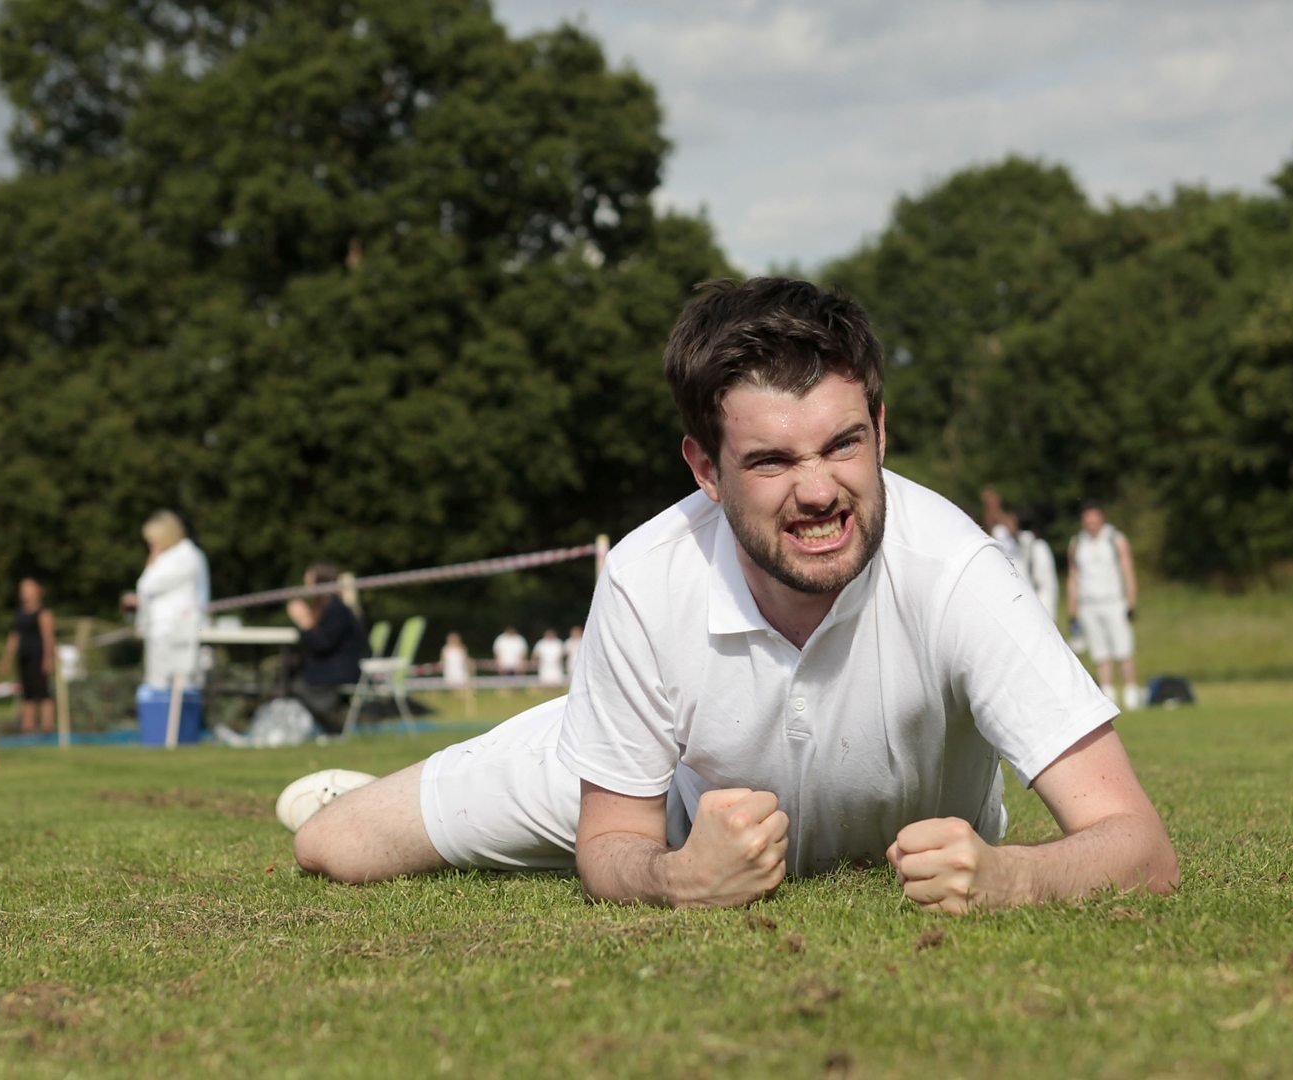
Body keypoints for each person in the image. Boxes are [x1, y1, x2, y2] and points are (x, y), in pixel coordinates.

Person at [282, 278, 1175, 915]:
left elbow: (1139, 844)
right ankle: (357, 788)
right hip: (661, 788)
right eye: (772, 460)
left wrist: (1013, 877)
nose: (820, 491)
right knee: (336, 847)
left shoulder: (960, 571)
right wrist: (677, 877)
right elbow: (611, 843)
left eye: (843, 445)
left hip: (861, 816)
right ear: (706, 469)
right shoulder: (646, 577)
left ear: (881, 430)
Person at [1067, 500, 1141, 710]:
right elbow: (1073, 578)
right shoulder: (1077, 543)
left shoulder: (1115, 539)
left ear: (1102, 518)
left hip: (1114, 601)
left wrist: (1131, 601)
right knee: (1100, 654)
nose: (1091, 524)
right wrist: (1072, 610)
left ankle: (1131, 693)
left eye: (1094, 519)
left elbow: (1127, 570)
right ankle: (1108, 695)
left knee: (1123, 650)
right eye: (1087, 520)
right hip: (1089, 604)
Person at [124, 510, 209, 689]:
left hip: (174, 629)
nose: (150, 544)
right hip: (160, 629)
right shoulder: (166, 557)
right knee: (157, 683)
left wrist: (152, 562)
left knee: (177, 683)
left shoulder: (185, 555)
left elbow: (149, 584)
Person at [285, 561, 369, 731]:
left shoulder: (335, 609)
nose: (307, 588)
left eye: (309, 583)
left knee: (294, 684)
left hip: (338, 671)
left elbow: (322, 645)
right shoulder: (330, 608)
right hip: (332, 668)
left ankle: (333, 727)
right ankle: (330, 727)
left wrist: (304, 622)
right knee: (290, 674)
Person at [0, 578, 55, 733]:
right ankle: (27, 727)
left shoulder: (43, 612)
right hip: (24, 657)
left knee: (43, 692)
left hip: (38, 656)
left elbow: (48, 637)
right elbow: (14, 637)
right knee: (27, 693)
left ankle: (47, 726)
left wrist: (48, 659)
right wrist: (7, 658)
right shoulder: (20, 613)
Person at [1014, 510, 1058, 623]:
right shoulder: (1038, 545)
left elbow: (1045, 583)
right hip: (1035, 602)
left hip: (1038, 603)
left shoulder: (1036, 546)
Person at [979, 485, 1019, 561]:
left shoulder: (1006, 516)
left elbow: (1013, 530)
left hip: (1012, 552)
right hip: (1000, 554)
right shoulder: (988, 517)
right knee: (998, 531)